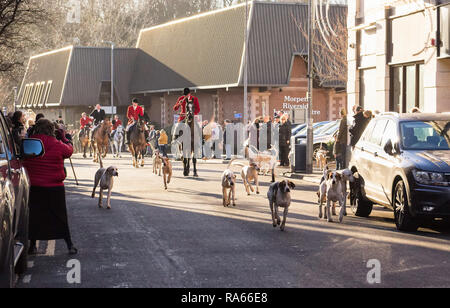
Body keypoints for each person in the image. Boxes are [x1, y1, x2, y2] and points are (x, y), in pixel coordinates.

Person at [23, 119, 77, 255]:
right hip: (55, 186)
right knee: (60, 216)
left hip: (35, 186)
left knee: (35, 216)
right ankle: (69, 245)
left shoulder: (30, 143)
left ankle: (33, 246)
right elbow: (70, 151)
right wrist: (64, 137)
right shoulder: (57, 143)